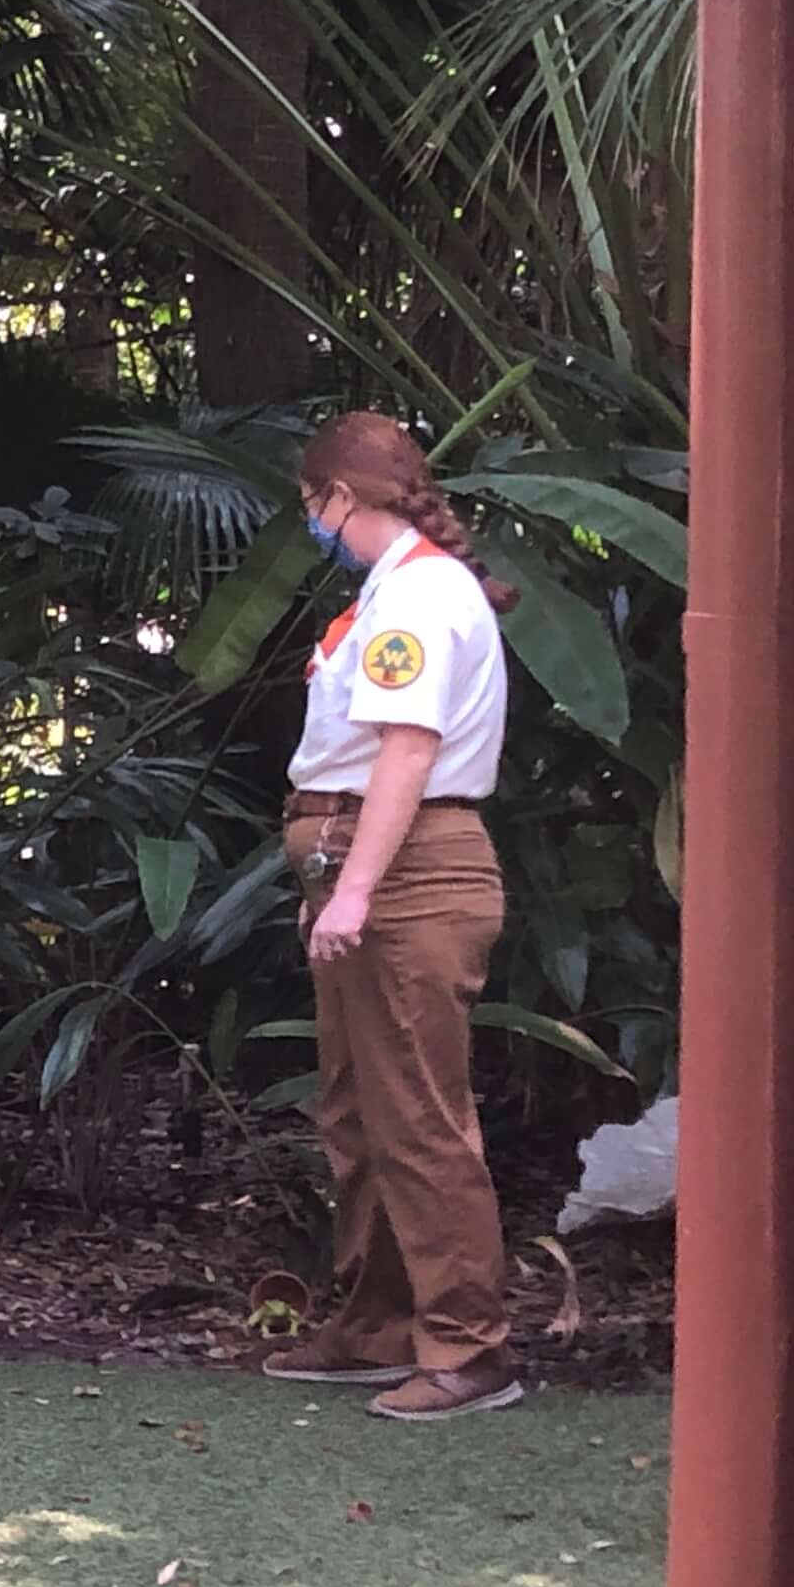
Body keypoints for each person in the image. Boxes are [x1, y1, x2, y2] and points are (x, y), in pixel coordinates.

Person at [262, 410, 526, 1419]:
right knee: (360, 1109)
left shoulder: (417, 594)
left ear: (341, 497)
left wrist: (360, 888)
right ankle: (379, 1327)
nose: (312, 525)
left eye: (311, 505)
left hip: (410, 869)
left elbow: (407, 753)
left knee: (417, 1114)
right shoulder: (397, 589)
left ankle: (468, 1347)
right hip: (365, 861)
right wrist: (336, 880)